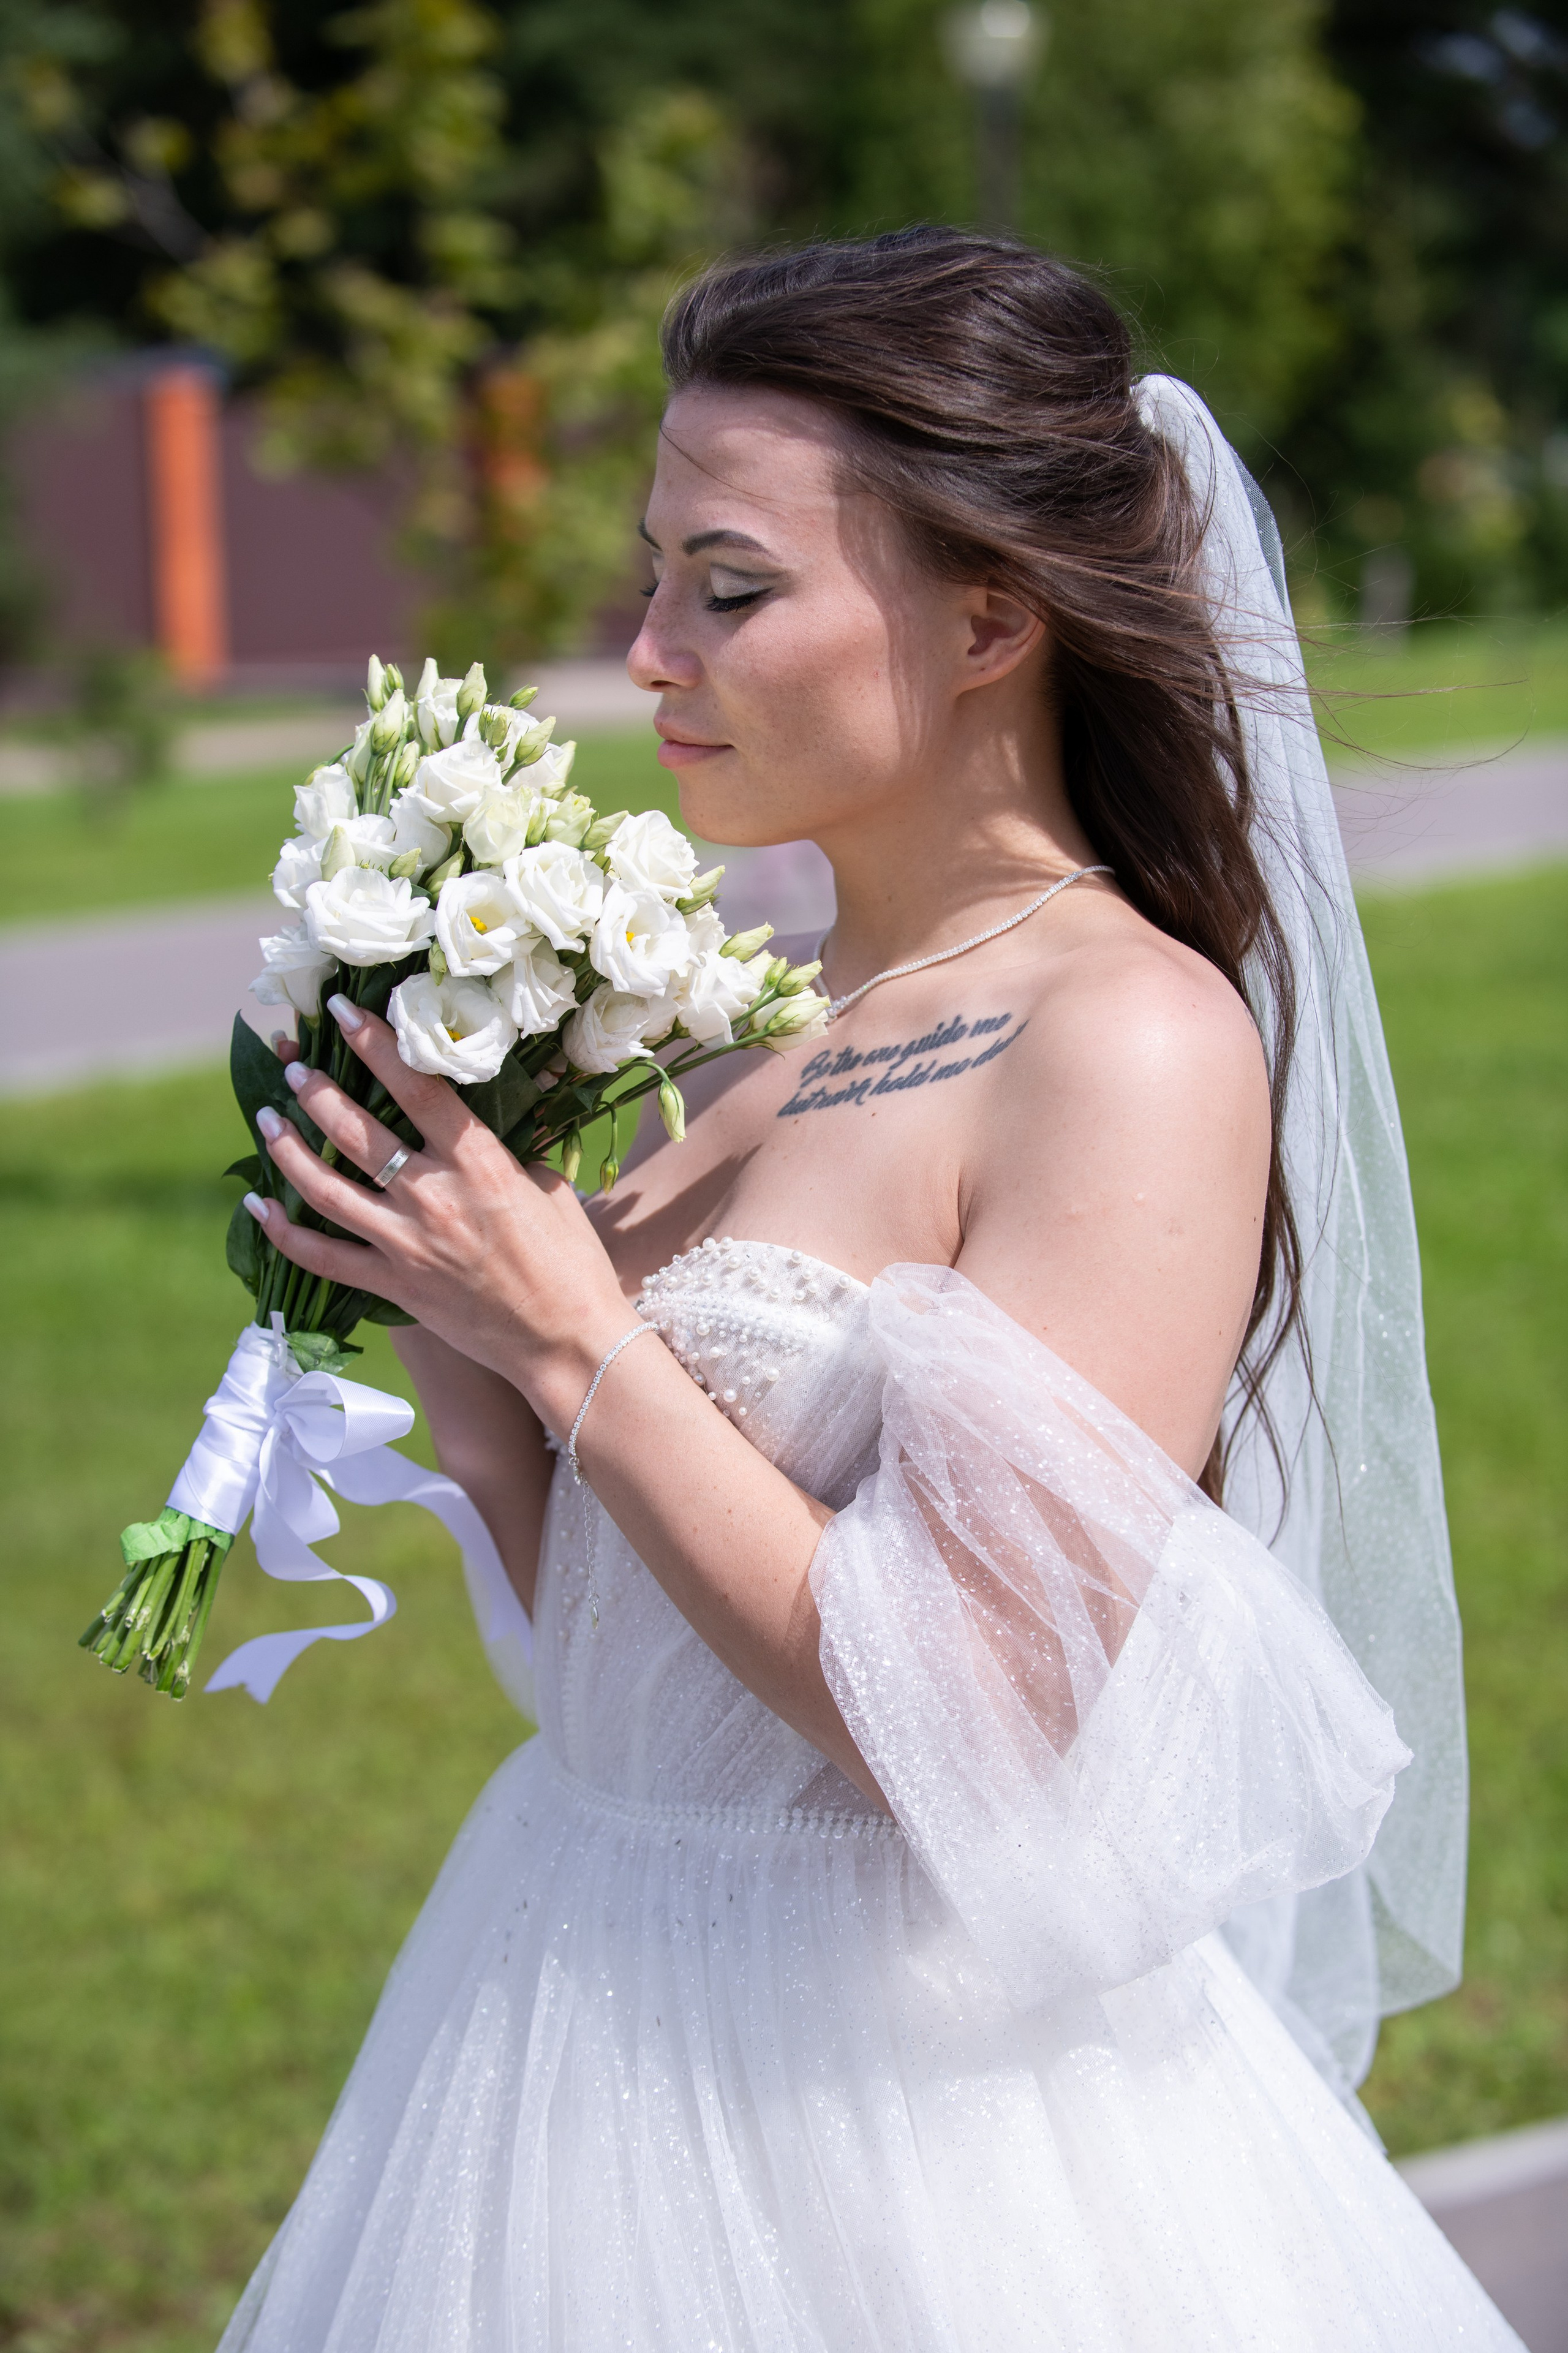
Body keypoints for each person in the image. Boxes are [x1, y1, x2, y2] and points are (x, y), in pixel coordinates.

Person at [220, 229, 1520, 2349]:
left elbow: (980, 1732)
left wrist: (577, 1331)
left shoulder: (1129, 1040)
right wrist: (439, 1282)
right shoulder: (742, 1014)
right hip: (573, 1978)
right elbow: (606, 1654)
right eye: (654, 578)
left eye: (729, 589)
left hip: (901, 2107)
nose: (648, 652)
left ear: (992, 614)